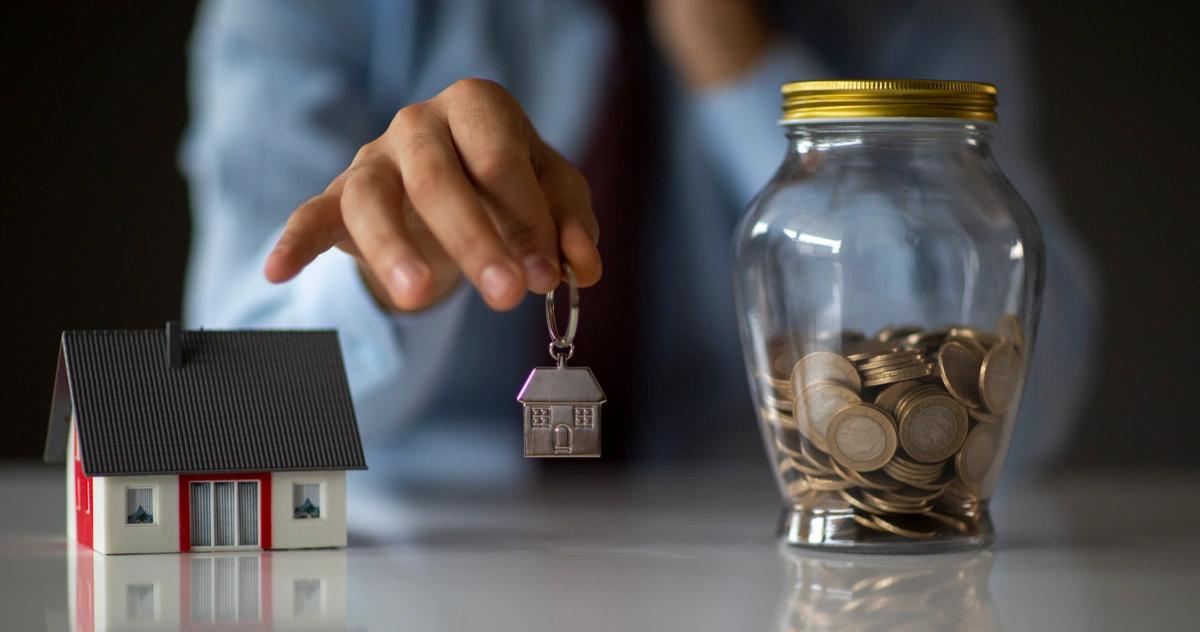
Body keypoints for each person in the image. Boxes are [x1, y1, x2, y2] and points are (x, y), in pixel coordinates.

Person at [182, 0, 1099, 483]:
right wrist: (390, 277)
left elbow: (1022, 412)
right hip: (407, 593)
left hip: (778, 587)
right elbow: (227, 415)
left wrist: (742, 63)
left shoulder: (904, 14)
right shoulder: (309, 9)